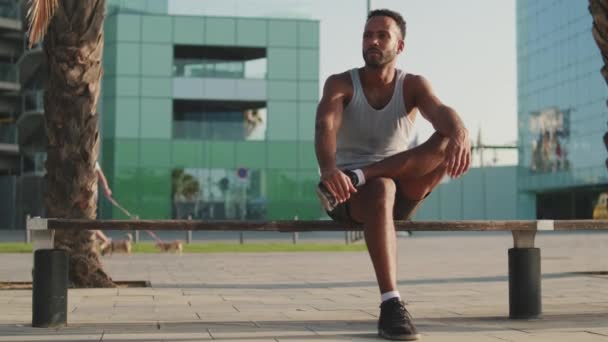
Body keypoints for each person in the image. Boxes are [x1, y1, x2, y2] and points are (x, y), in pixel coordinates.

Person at [314, 9, 471, 341]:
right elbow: (324, 126)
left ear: (399, 46)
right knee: (381, 186)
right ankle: (391, 304)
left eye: (382, 35)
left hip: (402, 188)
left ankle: (365, 174)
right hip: (347, 192)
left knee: (445, 137)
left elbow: (442, 113)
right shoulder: (341, 84)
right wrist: (329, 169)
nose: (372, 40)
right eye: (367, 34)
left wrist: (461, 132)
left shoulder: (412, 85)